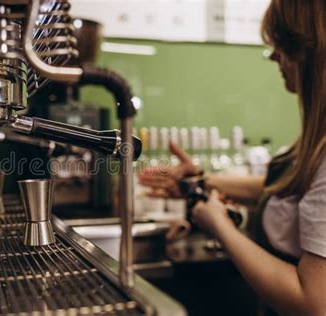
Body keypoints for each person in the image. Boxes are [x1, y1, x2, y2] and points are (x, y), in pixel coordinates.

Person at [138, 1, 326, 315]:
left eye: (283, 45)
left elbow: (314, 304)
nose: (275, 57)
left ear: (312, 51)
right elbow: (292, 191)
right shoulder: (316, 140)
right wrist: (202, 181)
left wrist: (220, 226)